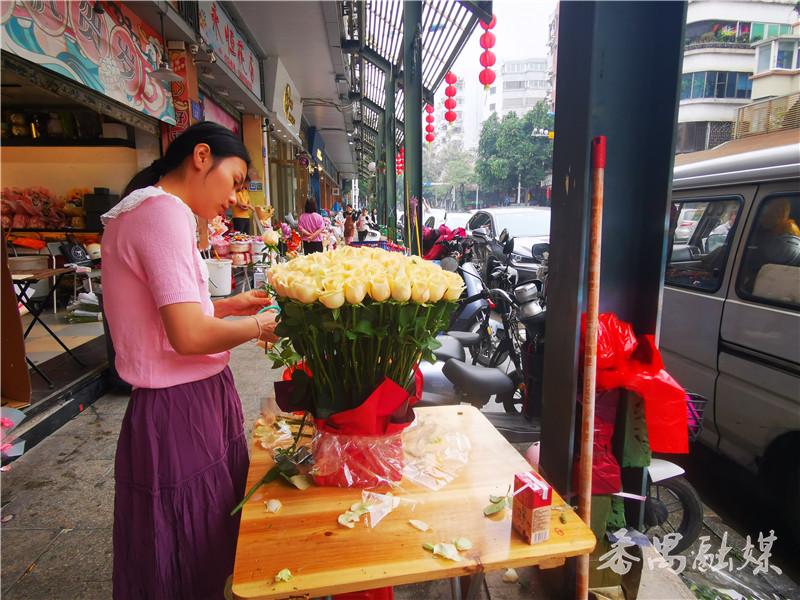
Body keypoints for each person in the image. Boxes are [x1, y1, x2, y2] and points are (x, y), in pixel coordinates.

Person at [101, 122, 279, 599]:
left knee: (191, 533)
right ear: (202, 157)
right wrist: (261, 326)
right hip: (179, 409)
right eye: (236, 180)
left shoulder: (141, 211)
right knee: (192, 538)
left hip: (184, 402)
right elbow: (189, 335)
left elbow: (165, 317)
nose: (237, 199)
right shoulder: (162, 214)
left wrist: (227, 307)